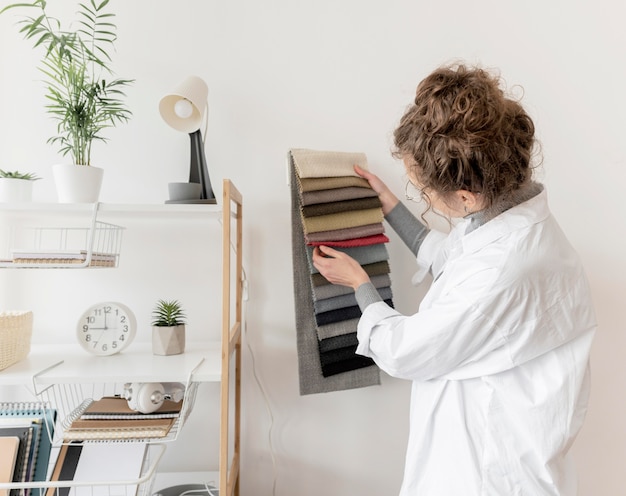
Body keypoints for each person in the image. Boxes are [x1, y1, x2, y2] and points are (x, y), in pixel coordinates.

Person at [312, 63, 596, 495]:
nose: (420, 196)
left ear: (465, 195)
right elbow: (451, 254)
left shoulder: (500, 271)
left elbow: (405, 350)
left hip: (488, 474)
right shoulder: (509, 214)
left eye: (421, 191)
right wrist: (390, 206)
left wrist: (359, 285)